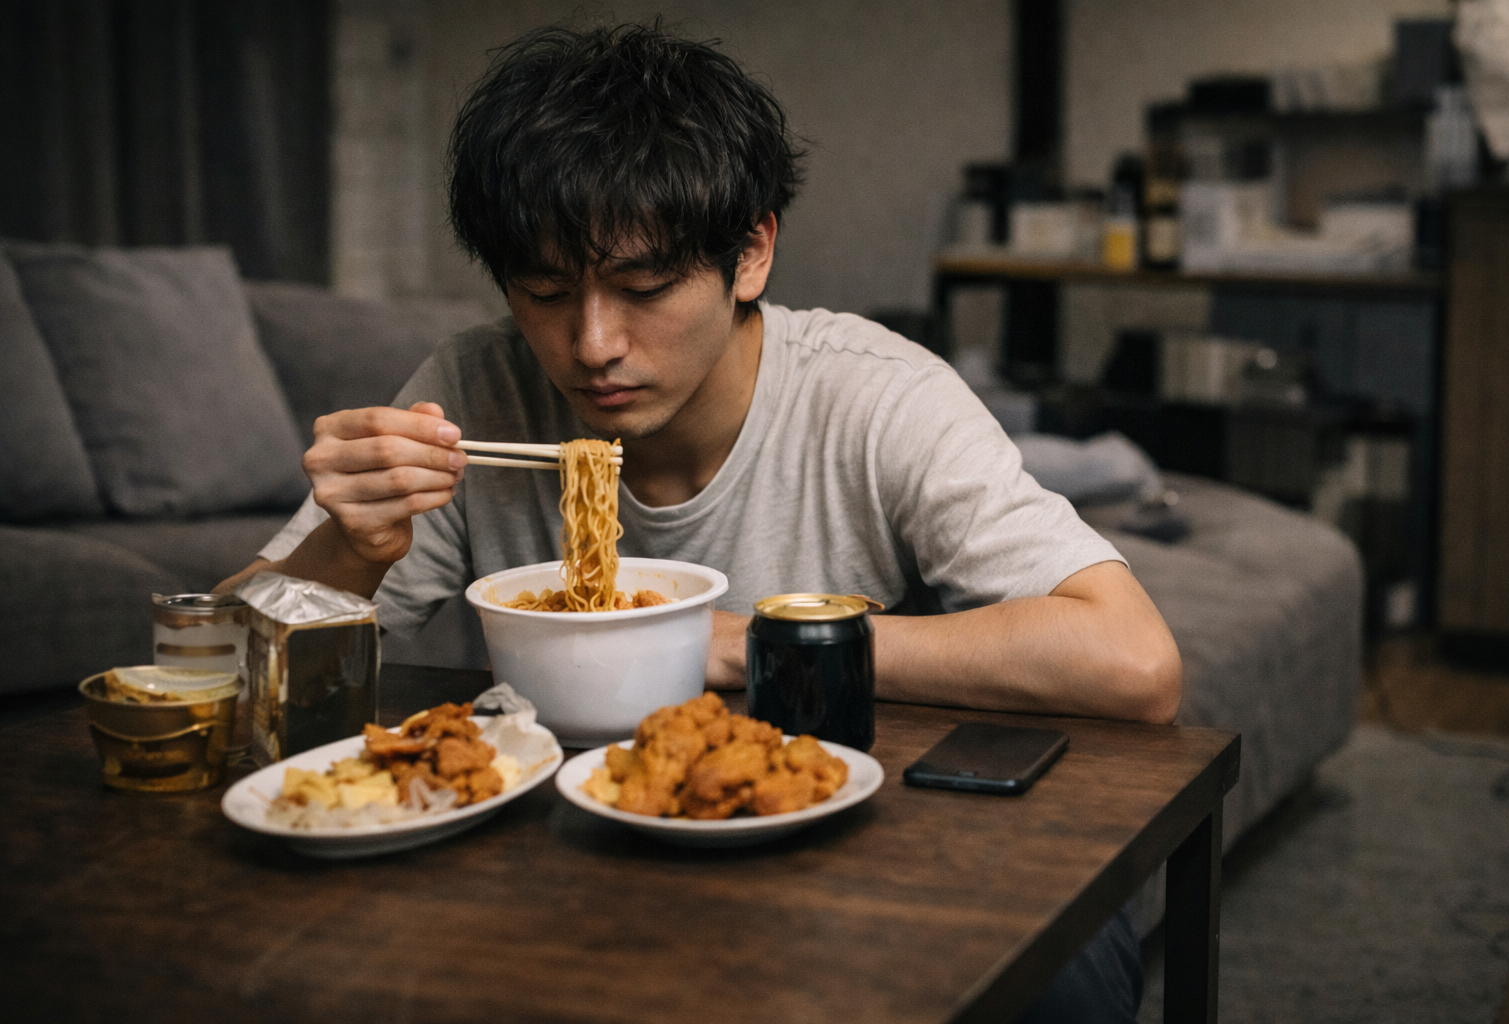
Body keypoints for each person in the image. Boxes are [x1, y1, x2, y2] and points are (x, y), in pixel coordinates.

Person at [218, 24, 1179, 1021]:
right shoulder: (475, 392)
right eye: (544, 292)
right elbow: (218, 675)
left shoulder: (875, 400)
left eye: (642, 288)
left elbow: (1133, 659)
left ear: (750, 251)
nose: (593, 345)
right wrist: (350, 548)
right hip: (586, 843)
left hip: (878, 836)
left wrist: (730, 643)